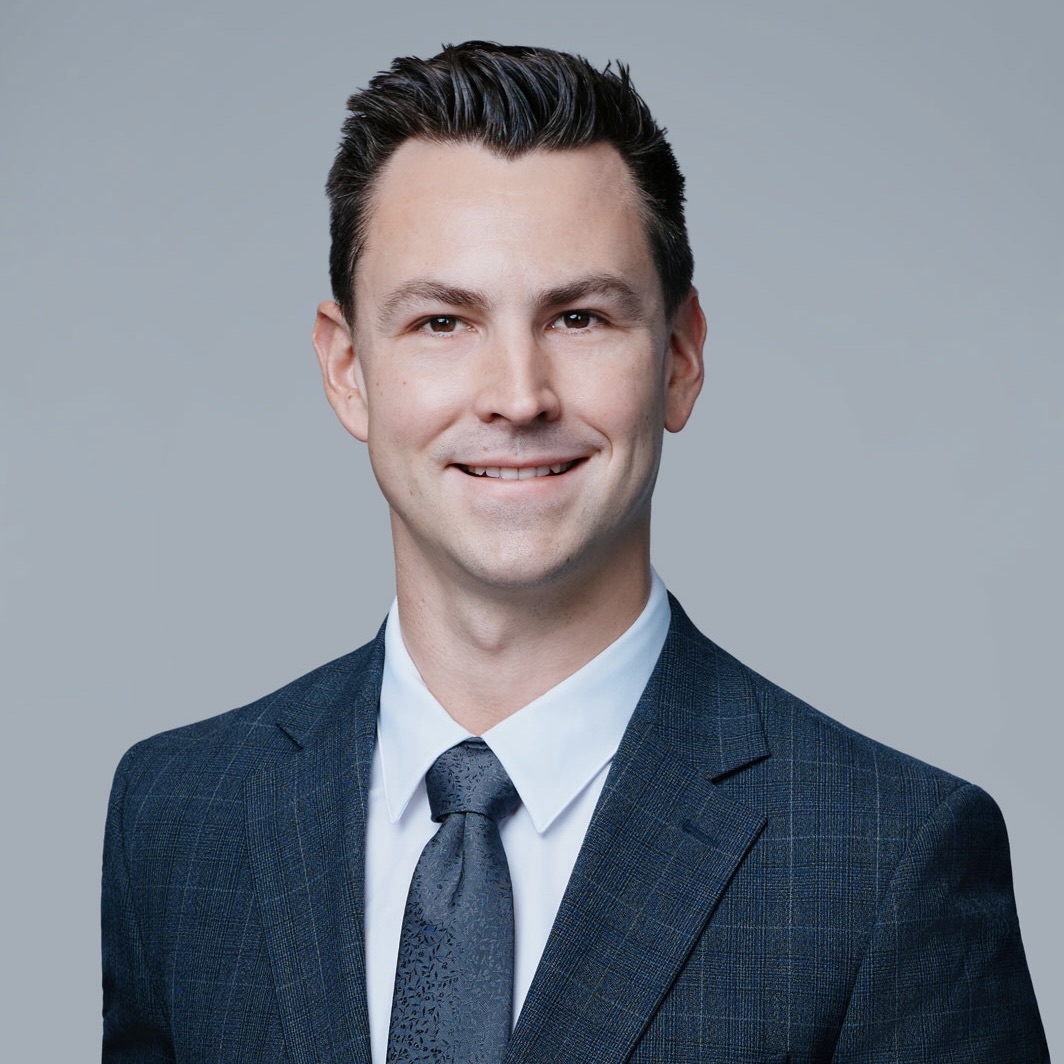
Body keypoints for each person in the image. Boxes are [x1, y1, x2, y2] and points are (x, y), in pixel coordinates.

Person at [101, 41, 1047, 1062]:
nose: (517, 393)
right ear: (347, 370)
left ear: (678, 359)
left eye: (579, 315)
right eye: (440, 320)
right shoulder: (177, 815)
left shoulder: (885, 860)